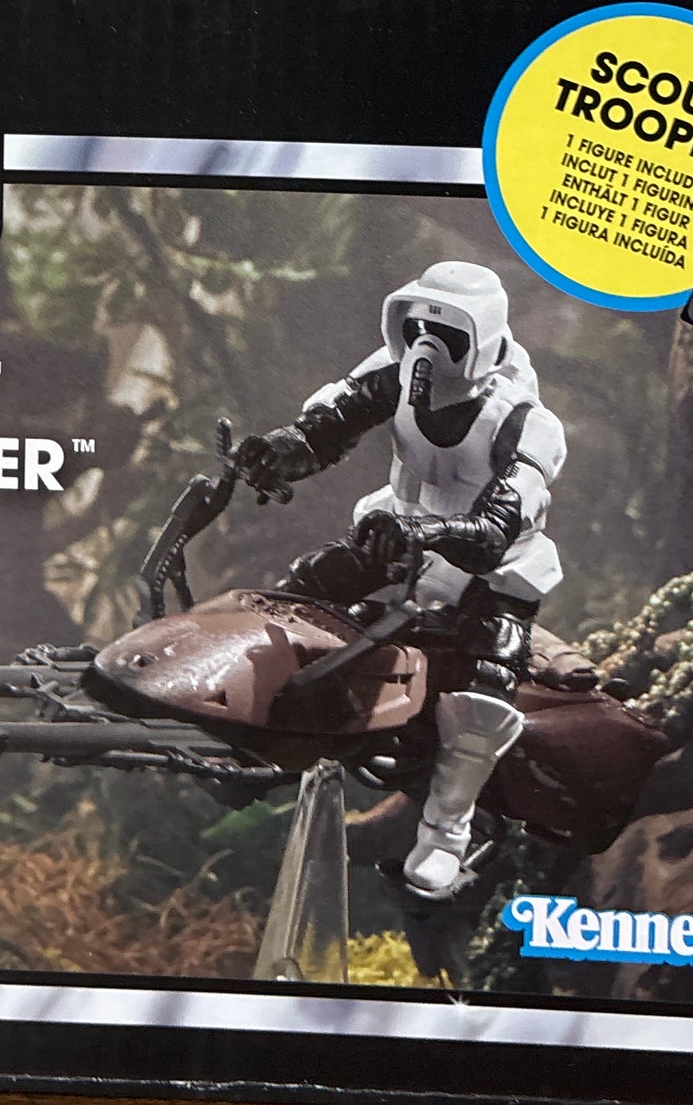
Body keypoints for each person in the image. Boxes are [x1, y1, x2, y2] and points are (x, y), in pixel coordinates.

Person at [235, 259, 566, 902]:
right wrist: (277, 451)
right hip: (396, 528)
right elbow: (327, 426)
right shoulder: (399, 376)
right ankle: (249, 725)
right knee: (296, 598)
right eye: (416, 328)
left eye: (447, 334)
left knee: (484, 692)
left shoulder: (525, 422)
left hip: (491, 569)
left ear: (483, 337)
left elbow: (497, 528)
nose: (427, 346)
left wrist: (428, 535)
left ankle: (445, 835)